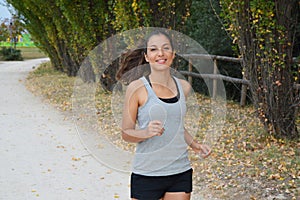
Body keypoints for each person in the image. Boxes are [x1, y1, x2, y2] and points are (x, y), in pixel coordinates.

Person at [117, 30, 211, 200]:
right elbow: (126, 133)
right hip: (147, 173)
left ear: (173, 54)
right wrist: (145, 132)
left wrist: (196, 145)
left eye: (165, 48)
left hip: (179, 171)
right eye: (153, 49)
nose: (160, 53)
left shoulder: (184, 87)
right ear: (146, 57)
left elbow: (177, 127)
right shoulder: (136, 88)